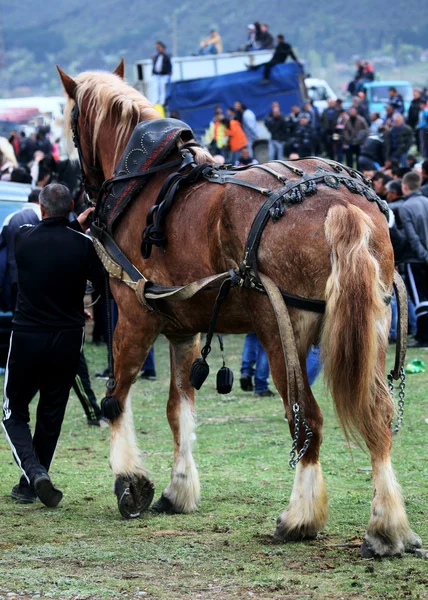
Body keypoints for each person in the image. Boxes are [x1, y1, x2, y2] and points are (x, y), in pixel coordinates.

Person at [2, 183, 97, 507]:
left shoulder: (23, 237)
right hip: (67, 337)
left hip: (28, 335)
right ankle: (32, 483)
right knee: (51, 413)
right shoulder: (83, 245)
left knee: (14, 411)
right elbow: (93, 275)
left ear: (41, 209)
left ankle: (32, 472)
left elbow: (49, 245)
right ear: (71, 205)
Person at [398, 171, 428, 347]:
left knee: (419, 298)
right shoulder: (426, 201)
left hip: (415, 259)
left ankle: (423, 337)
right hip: (424, 257)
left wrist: (424, 255)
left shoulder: (405, 207)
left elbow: (412, 237)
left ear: (404, 186)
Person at [151, 41, 172, 106]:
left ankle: (162, 102)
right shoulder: (157, 56)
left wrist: (169, 73)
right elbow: (154, 65)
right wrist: (153, 71)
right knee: (156, 88)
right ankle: (156, 100)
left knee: (163, 89)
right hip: (157, 75)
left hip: (164, 75)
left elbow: (170, 65)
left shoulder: (167, 57)